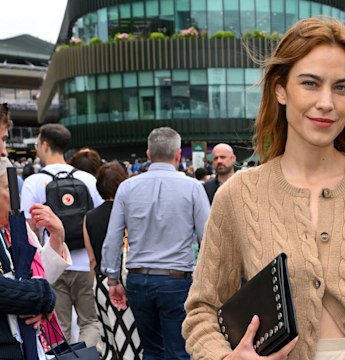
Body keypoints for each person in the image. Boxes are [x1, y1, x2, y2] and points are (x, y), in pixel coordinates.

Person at [182, 17, 345, 360]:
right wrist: (226, 357)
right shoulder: (239, 194)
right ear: (280, 89)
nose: (327, 102)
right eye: (310, 83)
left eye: (341, 87)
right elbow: (202, 310)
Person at [101, 127, 210, 360]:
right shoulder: (193, 187)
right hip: (176, 279)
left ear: (148, 154)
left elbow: (113, 237)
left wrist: (112, 279)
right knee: (180, 351)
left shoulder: (127, 188)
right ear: (178, 154)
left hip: (138, 279)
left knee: (151, 351)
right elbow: (207, 238)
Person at [20, 124, 103, 347]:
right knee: (89, 322)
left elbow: (30, 230)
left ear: (45, 145)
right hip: (86, 264)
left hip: (54, 264)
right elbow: (98, 220)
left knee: (59, 325)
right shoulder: (88, 179)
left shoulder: (33, 182)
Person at [0, 117, 69, 357]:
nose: (2, 151)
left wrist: (57, 236)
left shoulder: (13, 224)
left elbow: (32, 272)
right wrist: (40, 297)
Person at [83, 161, 142, 360]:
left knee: (109, 340)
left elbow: (92, 260)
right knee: (132, 340)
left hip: (101, 283)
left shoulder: (89, 217)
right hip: (125, 281)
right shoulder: (131, 212)